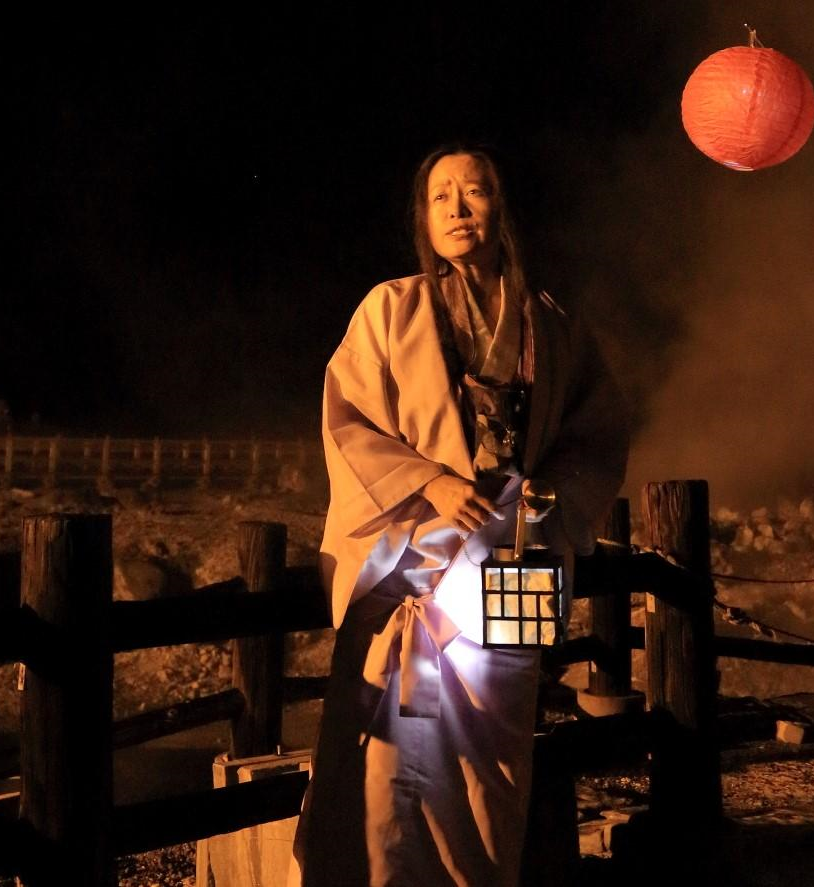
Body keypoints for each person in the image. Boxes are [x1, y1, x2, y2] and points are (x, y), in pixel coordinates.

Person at [288, 145, 629, 887]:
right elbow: (348, 423)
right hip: (405, 575)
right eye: (440, 196)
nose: (457, 208)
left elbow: (596, 435)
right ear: (422, 218)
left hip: (501, 576)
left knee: (488, 769)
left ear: (502, 208)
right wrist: (431, 483)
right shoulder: (390, 309)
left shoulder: (551, 324)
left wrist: (548, 503)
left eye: (473, 192)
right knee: (386, 760)